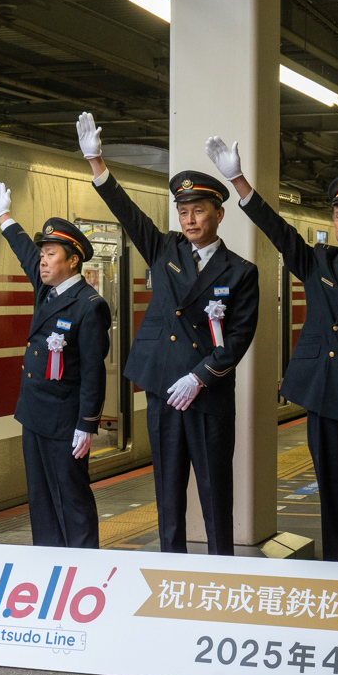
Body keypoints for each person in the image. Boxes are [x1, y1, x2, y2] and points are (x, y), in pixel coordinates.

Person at [205, 137, 338, 564]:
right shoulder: (319, 262)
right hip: (323, 397)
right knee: (332, 498)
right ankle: (337, 575)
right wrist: (237, 180)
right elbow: (279, 232)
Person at [77, 112, 258, 556]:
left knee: (215, 487)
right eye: (183, 211)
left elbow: (237, 338)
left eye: (199, 210)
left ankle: (222, 569)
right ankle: (171, 567)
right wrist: (97, 163)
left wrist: (199, 377)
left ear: (219, 213)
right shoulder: (165, 248)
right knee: (167, 487)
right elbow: (127, 212)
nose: (191, 219)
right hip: (162, 388)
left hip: (207, 392)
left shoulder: (241, 271)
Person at [0, 181, 111, 548]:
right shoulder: (47, 289)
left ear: (73, 260)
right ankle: (49, 561)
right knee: (41, 498)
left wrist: (86, 425)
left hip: (65, 421)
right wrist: (4, 217)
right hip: (35, 414)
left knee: (71, 496)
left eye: (51, 254)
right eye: (43, 254)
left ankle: (83, 563)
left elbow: (93, 371)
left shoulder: (89, 306)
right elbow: (25, 251)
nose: (42, 260)